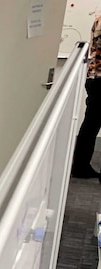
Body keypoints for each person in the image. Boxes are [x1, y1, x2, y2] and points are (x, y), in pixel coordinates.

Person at [72, 13, 101, 180]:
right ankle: (80, 167)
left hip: (95, 78)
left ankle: (80, 166)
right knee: (90, 127)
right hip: (99, 80)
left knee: (90, 126)